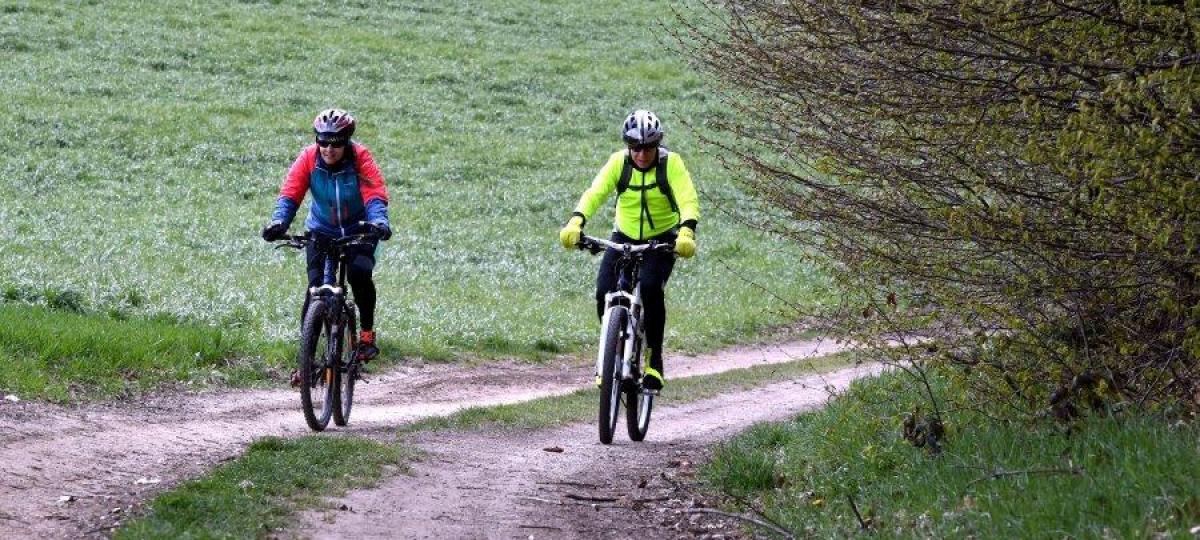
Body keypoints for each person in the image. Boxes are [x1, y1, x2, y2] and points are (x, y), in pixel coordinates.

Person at [558, 109, 700, 391]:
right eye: (635, 148)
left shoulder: (670, 164)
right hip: (623, 236)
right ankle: (612, 353)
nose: (642, 155)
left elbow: (687, 198)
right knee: (604, 291)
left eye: (648, 148)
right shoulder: (618, 163)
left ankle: (654, 360)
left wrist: (686, 231)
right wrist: (576, 221)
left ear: (657, 144)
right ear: (628, 145)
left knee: (649, 287)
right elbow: (595, 192)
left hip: (661, 239)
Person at [261, 108, 392, 377]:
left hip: (359, 230)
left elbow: (374, 193)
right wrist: (279, 223)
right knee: (314, 290)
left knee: (359, 275)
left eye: (336, 142)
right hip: (320, 229)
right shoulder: (308, 158)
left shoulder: (361, 158)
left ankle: (366, 335)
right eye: (323, 141)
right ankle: (306, 363)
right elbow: (291, 193)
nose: (329, 148)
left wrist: (379, 223)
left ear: (347, 141)